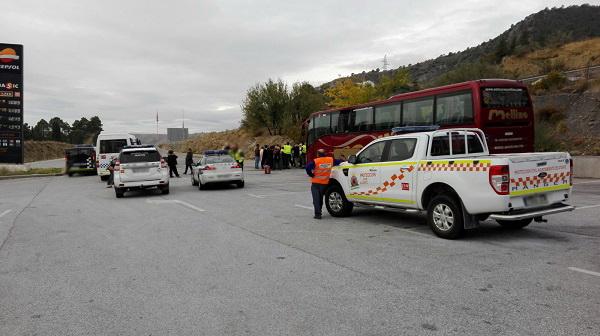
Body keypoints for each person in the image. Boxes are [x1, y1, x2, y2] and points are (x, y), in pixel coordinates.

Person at [306, 149, 341, 219]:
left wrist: (311, 174)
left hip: (316, 183)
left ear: (318, 154)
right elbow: (339, 162)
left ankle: (318, 214)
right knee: (320, 198)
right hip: (325, 183)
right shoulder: (330, 160)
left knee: (316, 199)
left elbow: (307, 167)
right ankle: (319, 211)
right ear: (325, 154)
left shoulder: (316, 161)